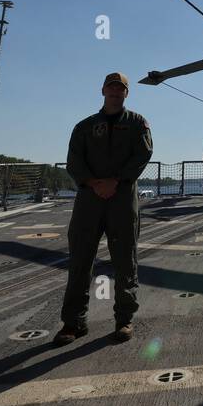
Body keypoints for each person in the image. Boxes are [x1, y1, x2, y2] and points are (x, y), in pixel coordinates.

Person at [55, 72, 153, 345]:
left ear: (126, 93)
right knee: (80, 262)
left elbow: (143, 155)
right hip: (89, 199)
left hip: (122, 199)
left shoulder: (137, 124)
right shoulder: (84, 127)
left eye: (120, 88)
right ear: (102, 91)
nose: (114, 91)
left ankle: (124, 320)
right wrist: (93, 183)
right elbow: (73, 161)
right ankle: (73, 323)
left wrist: (116, 180)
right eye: (111, 87)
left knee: (125, 261)